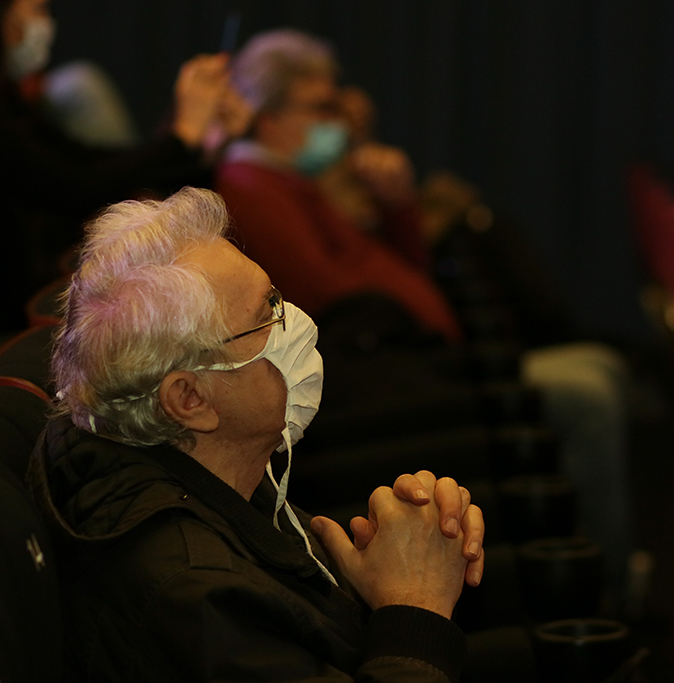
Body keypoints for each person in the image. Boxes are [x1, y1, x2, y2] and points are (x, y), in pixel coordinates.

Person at [216, 28, 638, 604]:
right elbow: (336, 299)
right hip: (390, 382)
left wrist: (394, 208)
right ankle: (608, 593)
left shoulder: (299, 183)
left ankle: (607, 571)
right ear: (267, 118)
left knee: (602, 367)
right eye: (322, 109)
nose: (338, 123)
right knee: (590, 393)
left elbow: (407, 268)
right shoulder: (253, 187)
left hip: (420, 363)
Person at [27, 186, 485, 682]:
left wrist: (393, 570)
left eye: (276, 296)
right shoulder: (197, 596)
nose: (296, 323)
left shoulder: (210, 470)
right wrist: (416, 609)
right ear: (191, 399)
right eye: (266, 314)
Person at [0, 0, 246, 330]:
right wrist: (183, 135)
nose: (46, 22)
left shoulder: (13, 102)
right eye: (38, 9)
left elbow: (93, 162)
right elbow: (76, 187)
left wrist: (202, 143)